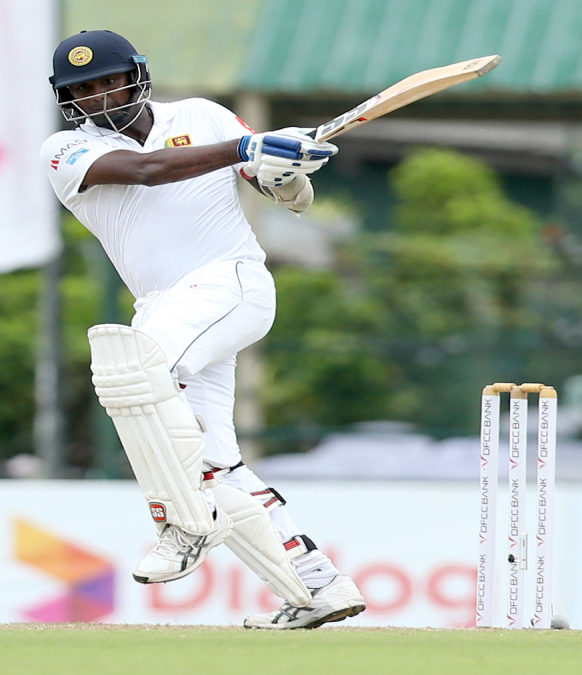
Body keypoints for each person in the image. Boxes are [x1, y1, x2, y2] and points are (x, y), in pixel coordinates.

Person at [40, 30, 365, 629]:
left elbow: (289, 196)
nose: (99, 97)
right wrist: (245, 145)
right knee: (214, 465)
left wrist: (283, 169)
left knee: (134, 373)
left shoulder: (202, 115)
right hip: (164, 308)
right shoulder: (65, 150)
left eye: (108, 81)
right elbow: (148, 169)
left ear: (136, 75)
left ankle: (181, 524)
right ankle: (316, 586)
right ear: (68, 100)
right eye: (82, 90)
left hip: (229, 284)